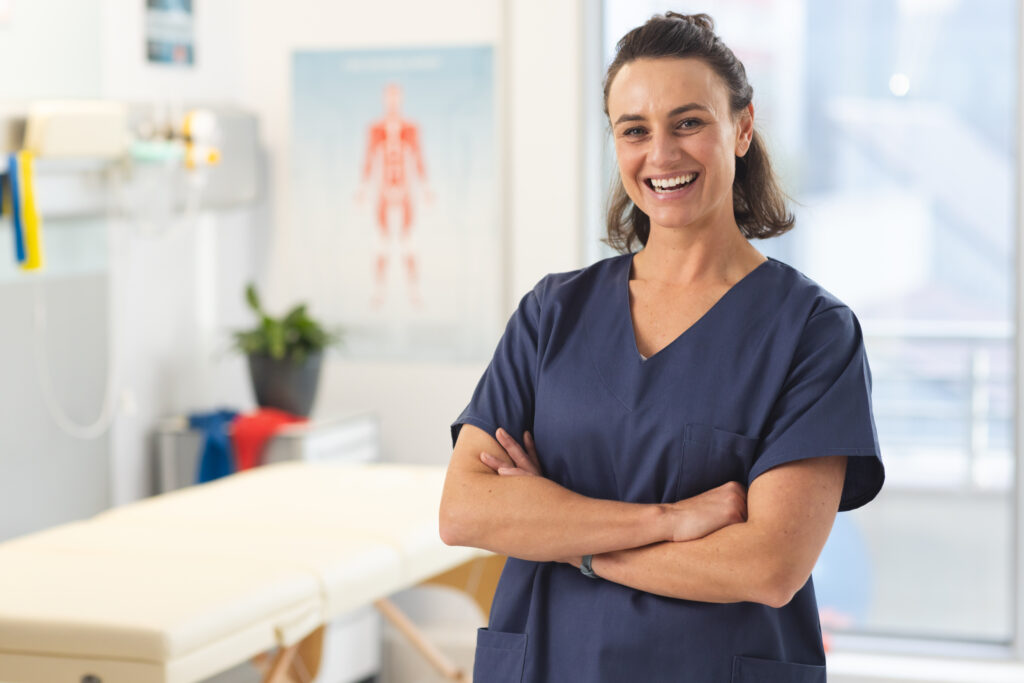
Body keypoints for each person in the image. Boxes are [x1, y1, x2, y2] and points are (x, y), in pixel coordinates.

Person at [439, 12, 884, 683]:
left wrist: (569, 544)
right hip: (549, 660)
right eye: (635, 130)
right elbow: (466, 509)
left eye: (689, 122)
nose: (662, 154)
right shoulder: (553, 313)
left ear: (740, 127)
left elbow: (767, 566)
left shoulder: (813, 333)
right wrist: (672, 520)